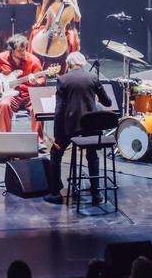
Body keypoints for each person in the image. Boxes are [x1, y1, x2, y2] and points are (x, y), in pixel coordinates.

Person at [45, 52, 113, 205]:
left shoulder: (62, 79)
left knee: (56, 153)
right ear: (83, 64)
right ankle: (96, 194)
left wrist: (56, 137)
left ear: (68, 64)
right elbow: (107, 103)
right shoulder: (93, 78)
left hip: (71, 128)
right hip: (91, 127)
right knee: (92, 154)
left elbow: (59, 110)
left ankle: (55, 193)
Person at [0, 34, 47, 143]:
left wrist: (36, 82)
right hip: (11, 94)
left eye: (24, 49)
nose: (23, 52)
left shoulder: (34, 60)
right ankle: (4, 139)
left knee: (38, 107)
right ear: (11, 50)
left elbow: (42, 79)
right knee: (4, 105)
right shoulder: (2, 57)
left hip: (29, 94)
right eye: (20, 51)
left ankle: (38, 141)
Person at [29, 0, 81, 66]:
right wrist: (38, 23)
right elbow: (42, 13)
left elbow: (78, 18)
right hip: (49, 26)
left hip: (64, 30)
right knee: (34, 33)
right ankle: (35, 64)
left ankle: (70, 66)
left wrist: (72, 4)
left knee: (72, 38)